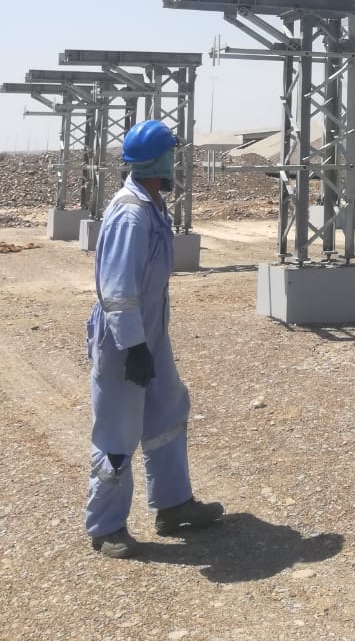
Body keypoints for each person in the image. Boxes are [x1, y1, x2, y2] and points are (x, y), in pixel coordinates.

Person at [85, 120, 224, 558]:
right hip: (123, 341)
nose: (174, 163)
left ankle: (172, 503)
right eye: (170, 155)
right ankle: (106, 527)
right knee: (118, 432)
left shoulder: (152, 204)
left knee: (167, 411)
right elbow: (117, 290)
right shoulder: (130, 213)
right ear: (156, 160)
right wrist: (133, 347)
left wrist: (149, 343)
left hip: (150, 336)